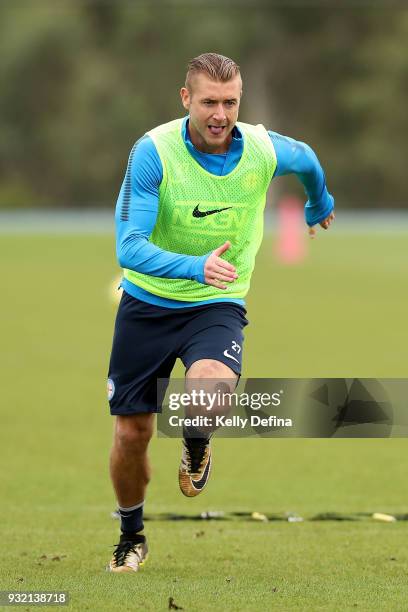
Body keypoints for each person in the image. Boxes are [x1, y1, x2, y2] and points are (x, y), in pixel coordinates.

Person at [106, 52, 335, 573]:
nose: (220, 114)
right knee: (131, 434)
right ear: (186, 99)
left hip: (218, 301)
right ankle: (131, 534)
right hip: (147, 302)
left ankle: (196, 443)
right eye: (209, 101)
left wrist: (319, 200)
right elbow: (129, 247)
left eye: (230, 102)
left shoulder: (260, 147)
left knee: (209, 393)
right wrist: (194, 267)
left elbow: (307, 158)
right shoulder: (153, 152)